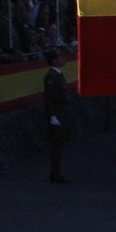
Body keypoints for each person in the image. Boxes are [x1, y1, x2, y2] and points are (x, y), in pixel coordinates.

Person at [41, 49, 68, 183]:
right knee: (56, 143)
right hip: (56, 110)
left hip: (60, 110)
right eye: (60, 57)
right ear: (54, 60)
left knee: (59, 143)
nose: (63, 59)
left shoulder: (58, 74)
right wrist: (52, 115)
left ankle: (57, 172)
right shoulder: (51, 76)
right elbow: (48, 98)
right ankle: (55, 173)